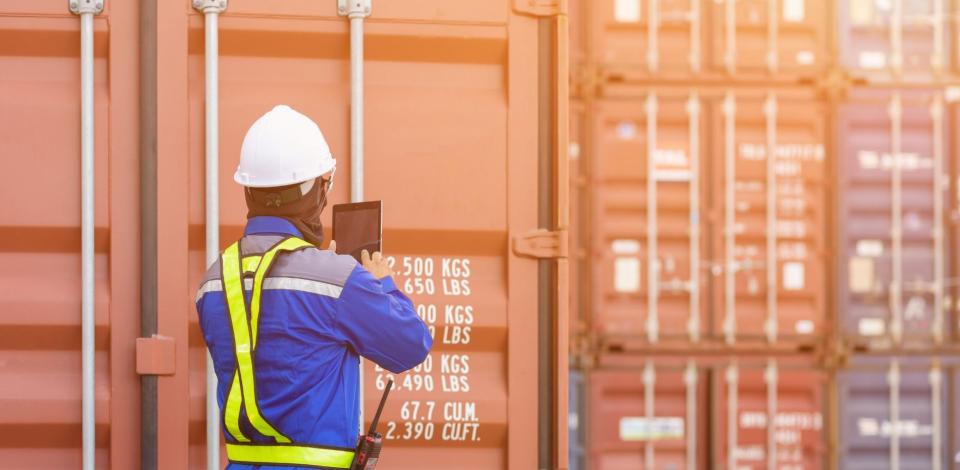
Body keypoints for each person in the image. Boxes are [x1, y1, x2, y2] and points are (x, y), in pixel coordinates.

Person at [196, 105, 432, 469]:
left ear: (249, 190)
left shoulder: (213, 280)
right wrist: (378, 280)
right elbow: (410, 345)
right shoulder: (339, 280)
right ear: (315, 192)